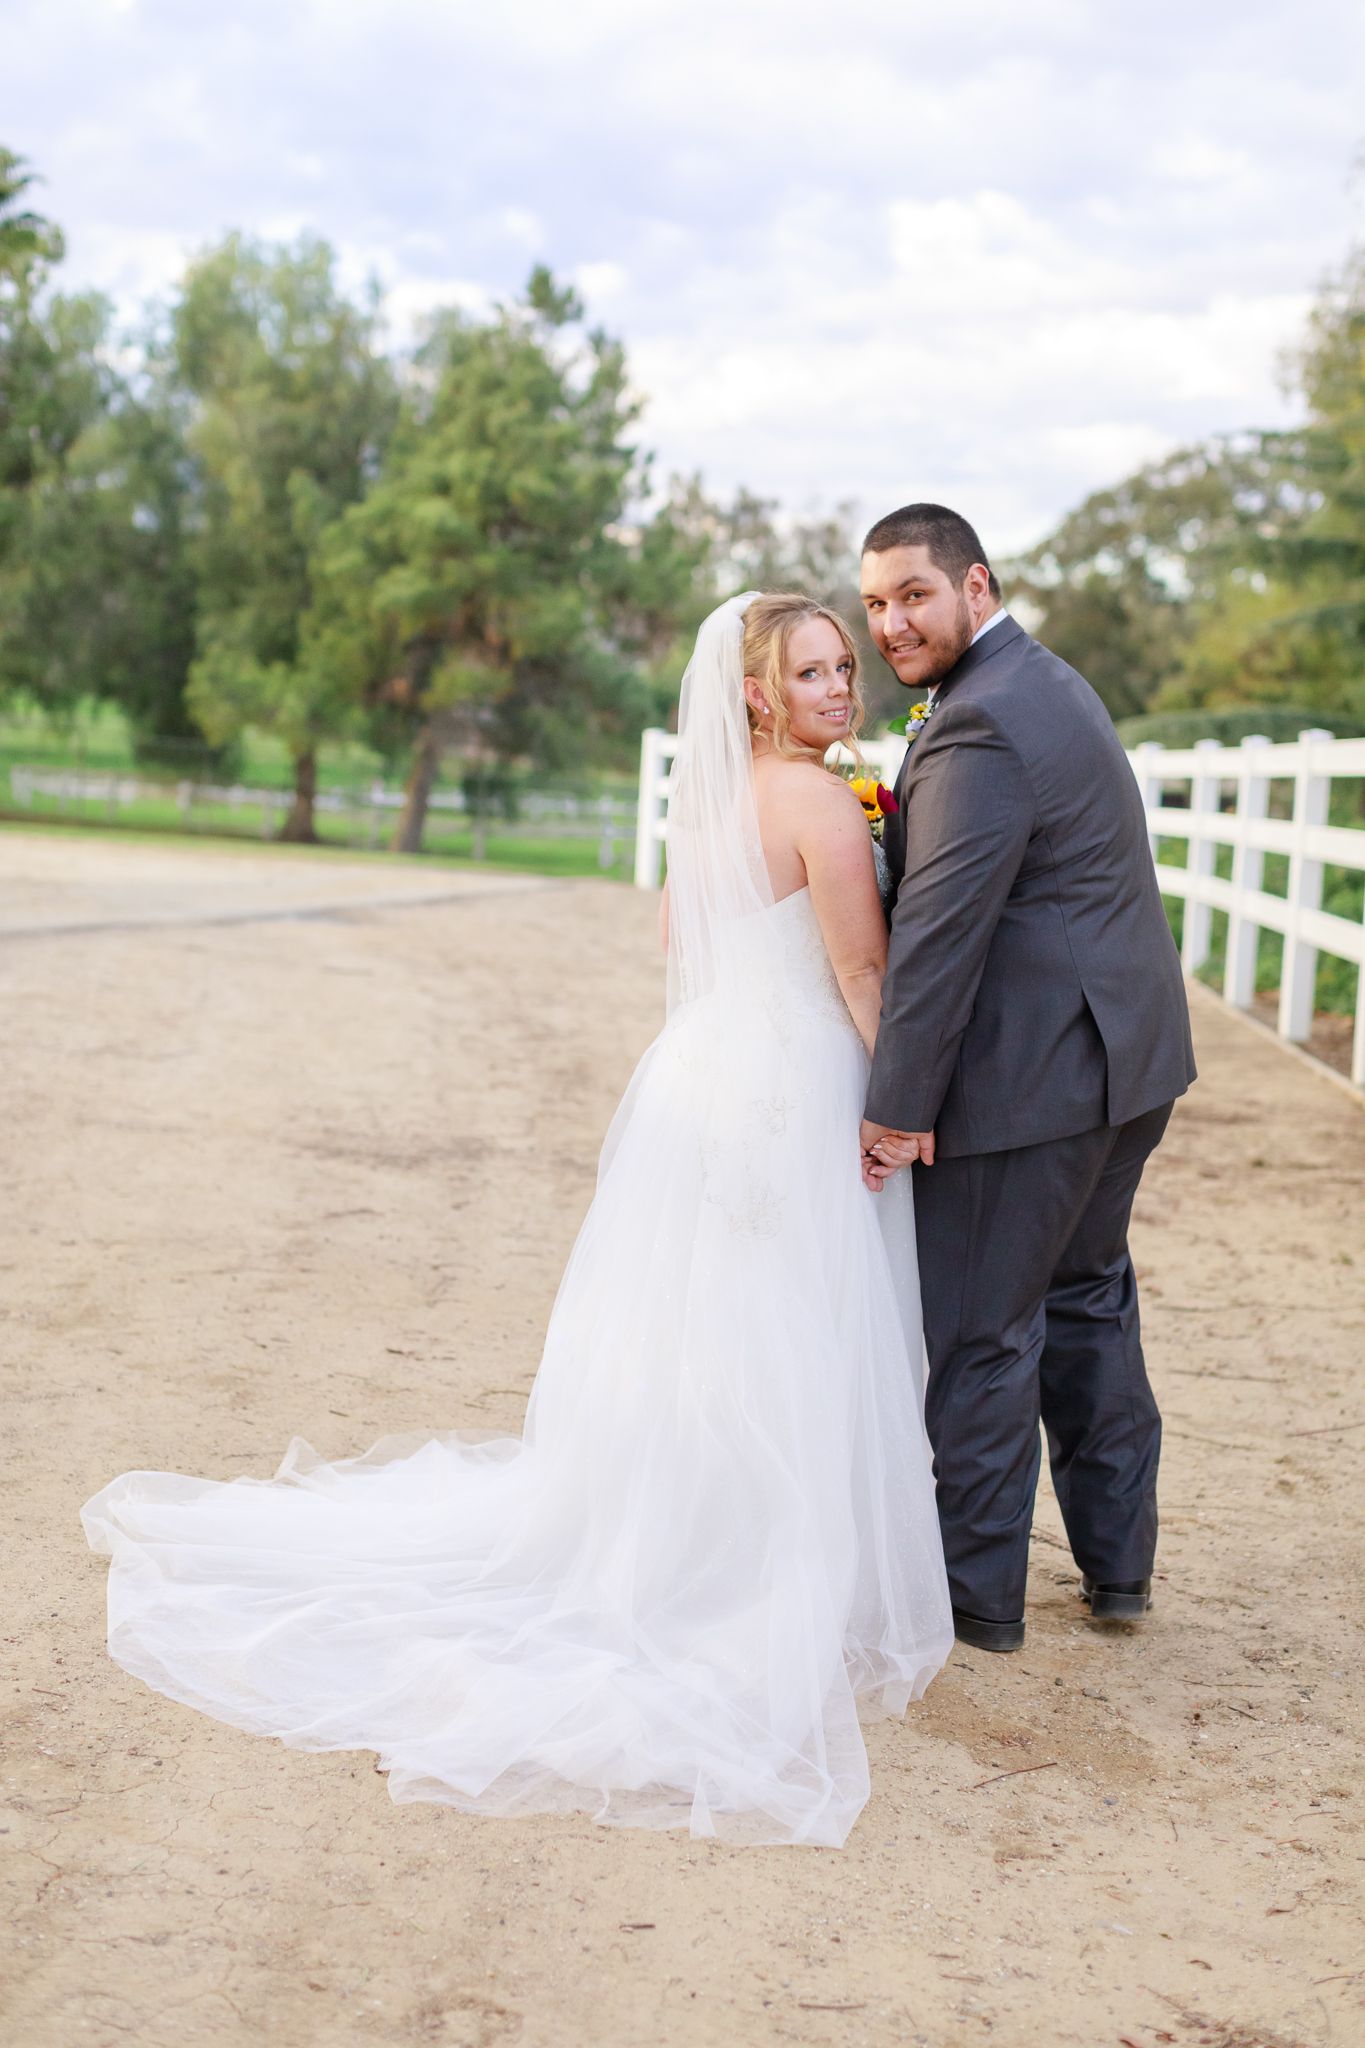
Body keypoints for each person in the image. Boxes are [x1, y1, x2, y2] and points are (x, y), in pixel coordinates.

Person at [82, 592, 953, 1850]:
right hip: (791, 1081)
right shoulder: (820, 800)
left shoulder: (708, 802)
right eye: (811, 672)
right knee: (791, 1330)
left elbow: (685, 942)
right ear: (757, 694)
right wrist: (899, 1103)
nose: (840, 689)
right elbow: (864, 971)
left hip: (702, 1074)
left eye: (842, 668)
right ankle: (759, 1576)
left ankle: (669, 1543)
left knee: (702, 1330)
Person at [857, 504, 1196, 1655]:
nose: (892, 621)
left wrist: (897, 1107)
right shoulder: (1047, 683)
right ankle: (1119, 1571)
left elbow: (942, 937)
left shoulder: (979, 726)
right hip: (1124, 1063)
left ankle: (976, 1601)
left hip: (1033, 1082)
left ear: (976, 585)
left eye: (914, 593)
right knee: (1088, 1299)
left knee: (983, 1332)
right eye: (875, 604)